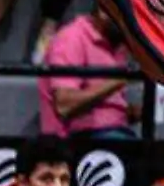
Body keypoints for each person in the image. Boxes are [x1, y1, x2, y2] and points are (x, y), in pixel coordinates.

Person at [39, 8, 135, 137]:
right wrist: (118, 80)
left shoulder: (117, 43)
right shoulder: (72, 38)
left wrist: (136, 112)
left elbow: (107, 111)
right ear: (103, 12)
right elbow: (64, 105)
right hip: (73, 141)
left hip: (114, 133)